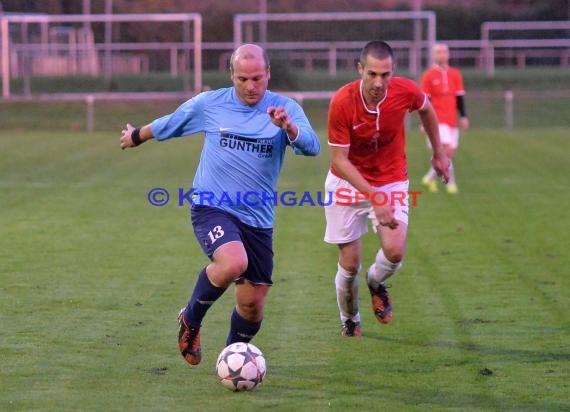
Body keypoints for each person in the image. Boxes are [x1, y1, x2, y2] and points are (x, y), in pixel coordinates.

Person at [120, 44, 320, 365]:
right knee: (233, 263)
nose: (251, 86)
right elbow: (172, 122)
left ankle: (231, 359)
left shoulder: (285, 109)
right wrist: (137, 135)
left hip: (257, 218)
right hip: (211, 205)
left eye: (257, 78)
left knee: (252, 306)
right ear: (232, 76)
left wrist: (289, 128)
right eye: (243, 79)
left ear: (268, 74)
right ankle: (191, 318)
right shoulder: (211, 104)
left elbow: (311, 147)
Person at [324, 40, 449, 337]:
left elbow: (427, 110)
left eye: (385, 74)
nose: (379, 82)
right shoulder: (342, 101)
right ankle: (350, 318)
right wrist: (374, 197)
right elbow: (340, 161)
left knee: (394, 251)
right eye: (372, 74)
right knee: (350, 263)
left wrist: (439, 152)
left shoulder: (405, 91)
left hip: (391, 178)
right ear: (360, 70)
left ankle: (376, 282)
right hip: (347, 182)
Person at [420, 43, 469, 194]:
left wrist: (464, 116)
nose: (442, 54)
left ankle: (431, 179)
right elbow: (424, 102)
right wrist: (423, 123)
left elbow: (460, 97)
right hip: (437, 120)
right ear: (434, 55)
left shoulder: (455, 74)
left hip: (451, 120)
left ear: (448, 54)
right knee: (445, 149)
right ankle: (449, 183)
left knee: (449, 152)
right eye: (438, 52)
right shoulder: (428, 75)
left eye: (444, 52)